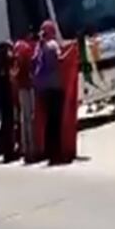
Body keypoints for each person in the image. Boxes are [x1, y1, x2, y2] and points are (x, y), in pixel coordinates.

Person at [34, 20, 65, 165]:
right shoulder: (52, 45)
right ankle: (56, 153)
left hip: (44, 89)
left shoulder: (39, 47)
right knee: (56, 121)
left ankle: (49, 152)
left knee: (49, 121)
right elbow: (60, 60)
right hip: (55, 87)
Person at [12, 28, 39, 162]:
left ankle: (25, 148)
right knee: (30, 118)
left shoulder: (17, 48)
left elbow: (16, 69)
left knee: (24, 118)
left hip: (21, 87)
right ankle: (32, 149)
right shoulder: (27, 48)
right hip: (29, 86)